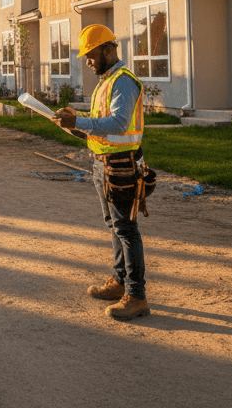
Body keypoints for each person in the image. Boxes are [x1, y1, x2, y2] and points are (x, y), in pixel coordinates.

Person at [54, 24, 149, 321]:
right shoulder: (106, 81)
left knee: (126, 229)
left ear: (107, 50)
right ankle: (120, 282)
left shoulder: (123, 81)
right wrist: (74, 128)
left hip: (122, 165)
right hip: (104, 164)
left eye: (91, 55)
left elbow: (120, 124)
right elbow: (100, 126)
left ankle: (136, 295)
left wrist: (80, 122)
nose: (88, 61)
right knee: (114, 225)